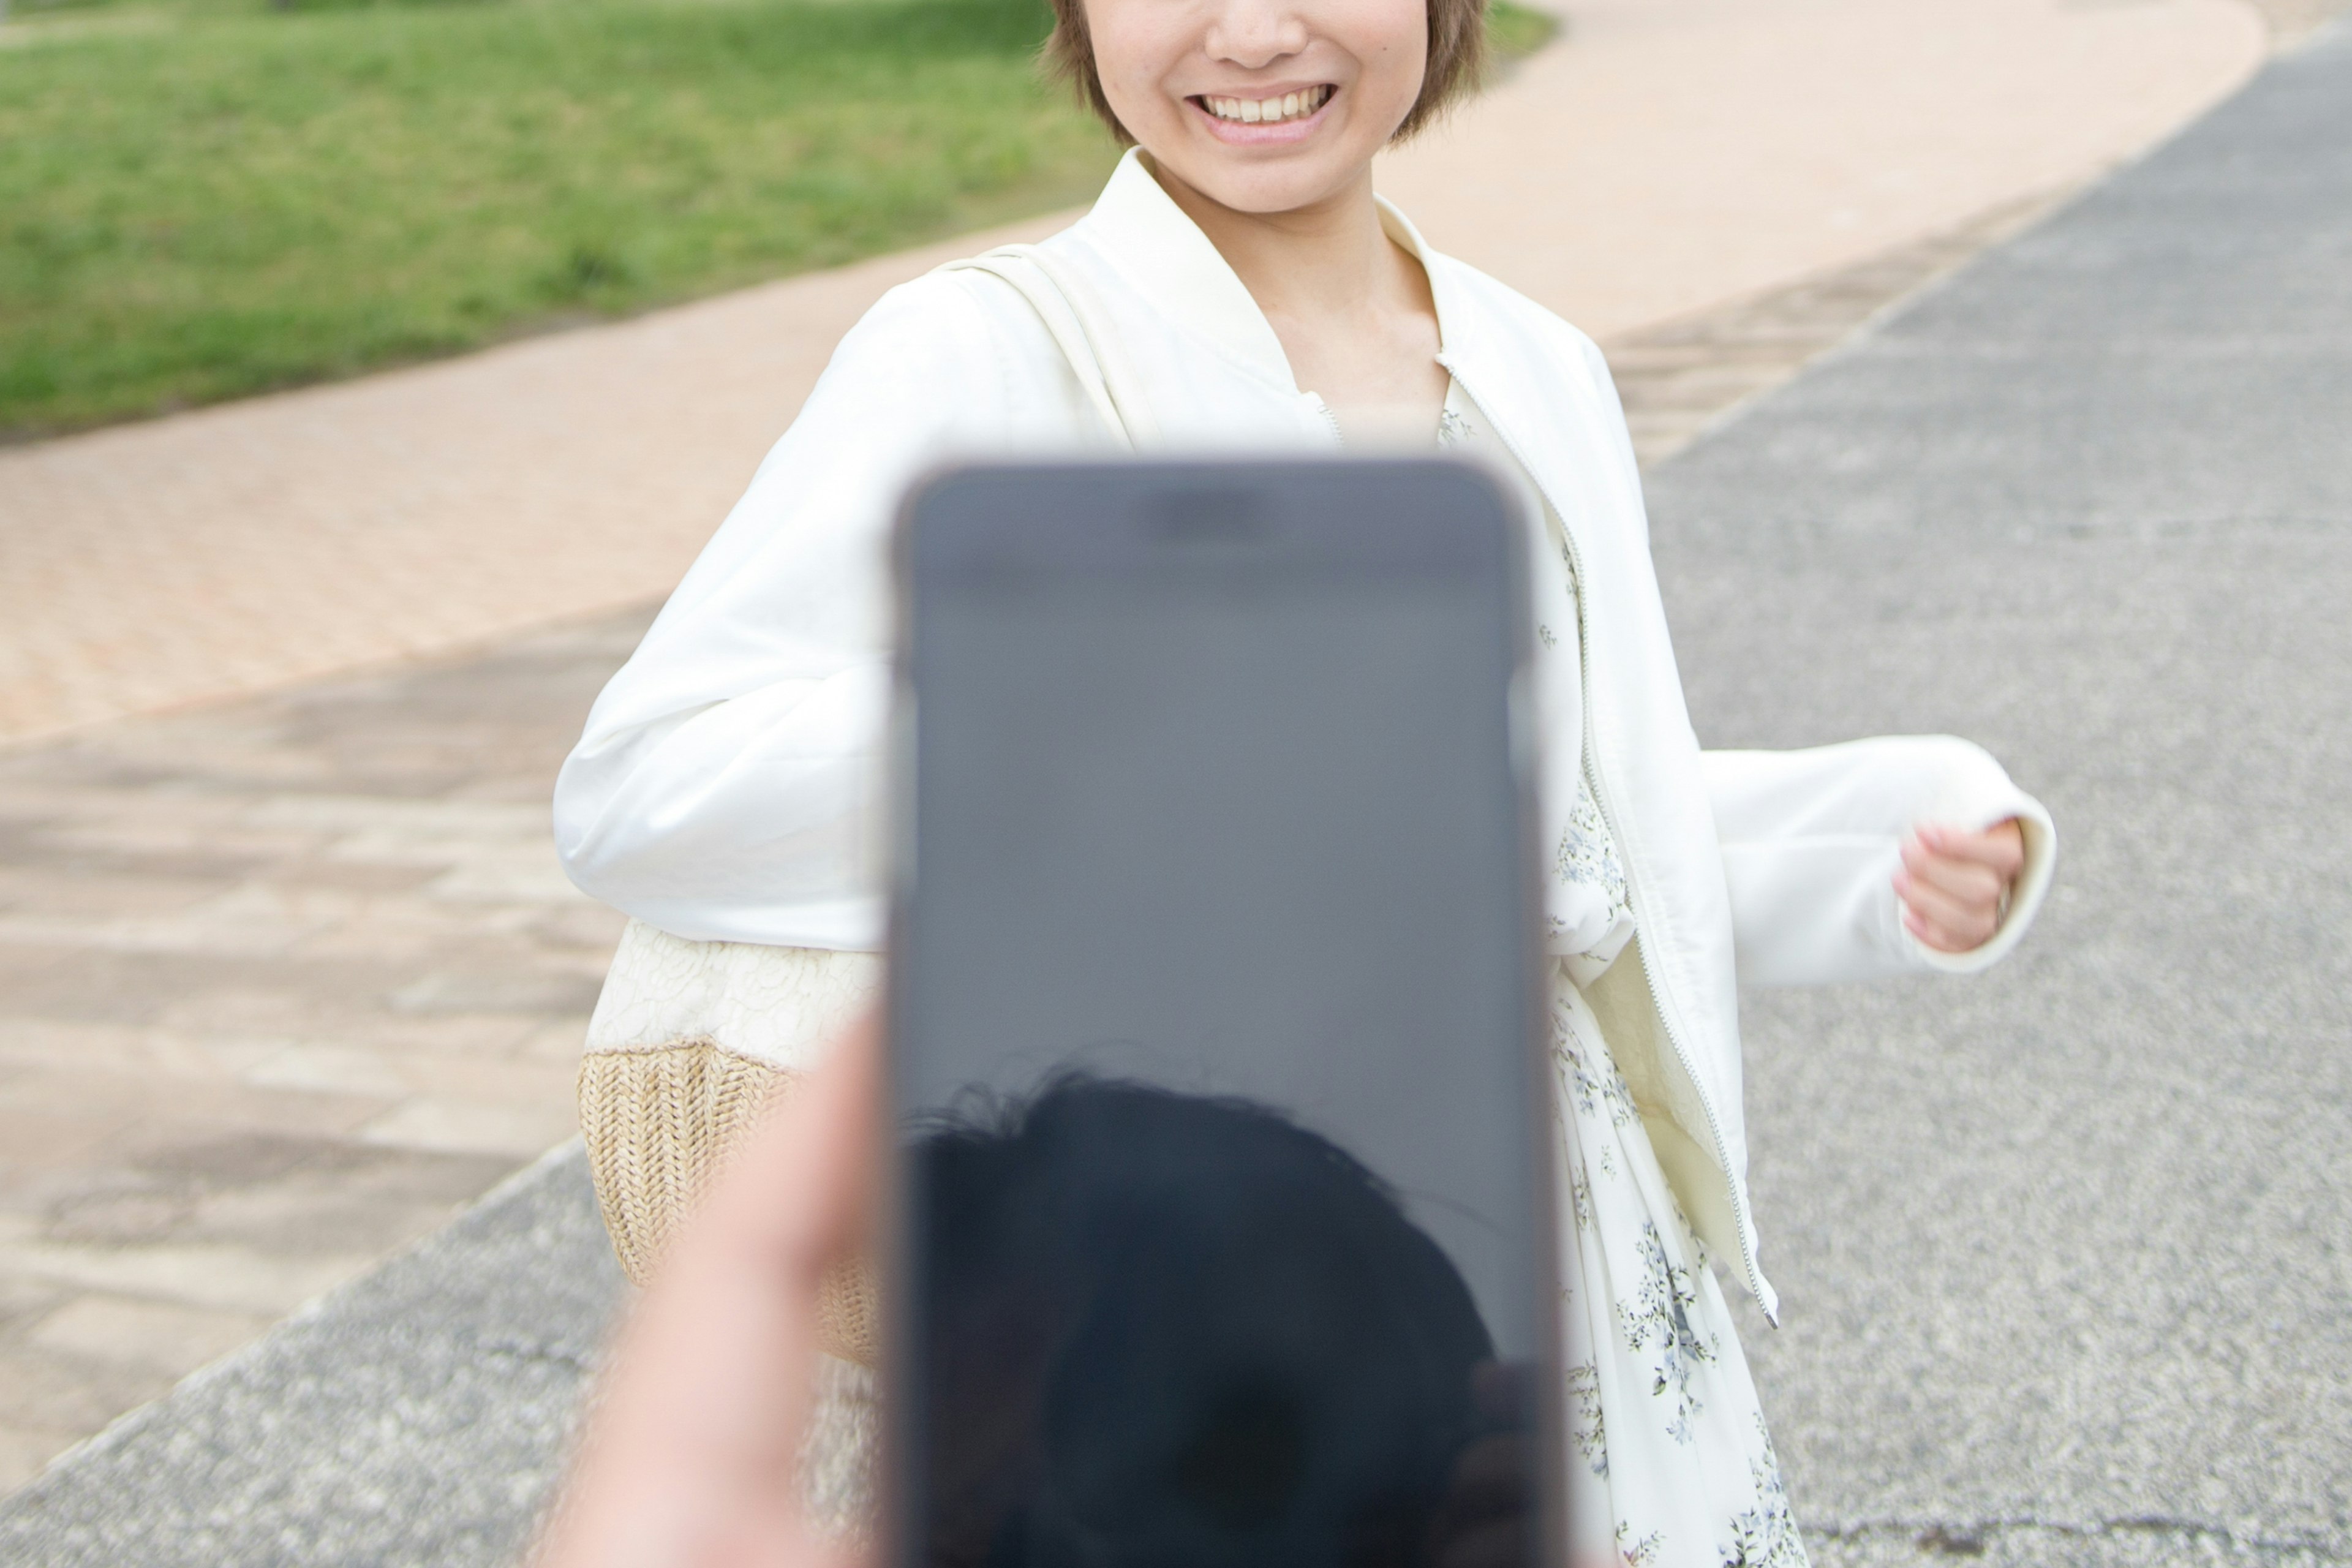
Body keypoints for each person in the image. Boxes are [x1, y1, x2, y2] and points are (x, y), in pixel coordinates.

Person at [549, 0, 2058, 1555]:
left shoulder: (1540, 365)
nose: (1255, 32)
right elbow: (648, 783)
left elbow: (1581, 842)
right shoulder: (978, 345)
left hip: (1560, 1241)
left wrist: (1880, 850)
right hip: (1187, 1290)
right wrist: (1117, 742)